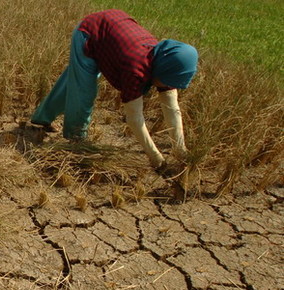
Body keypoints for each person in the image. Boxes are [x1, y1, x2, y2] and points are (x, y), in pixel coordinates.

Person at [30, 9, 198, 174]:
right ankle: (76, 140)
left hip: (113, 31)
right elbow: (135, 119)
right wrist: (157, 159)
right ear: (162, 69)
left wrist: (180, 150)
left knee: (74, 81)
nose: (167, 86)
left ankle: (41, 118)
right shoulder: (136, 70)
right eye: (168, 82)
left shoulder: (166, 62)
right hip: (89, 33)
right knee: (84, 92)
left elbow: (172, 109)